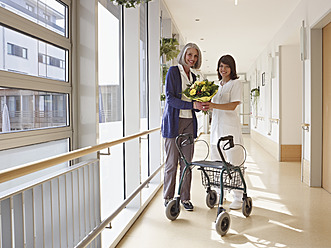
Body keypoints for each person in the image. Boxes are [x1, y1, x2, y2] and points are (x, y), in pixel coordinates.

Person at [161, 43, 207, 211]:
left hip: (189, 123)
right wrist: (192, 105)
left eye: (195, 56)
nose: (192, 59)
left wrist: (202, 104)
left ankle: (185, 198)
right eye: (189, 55)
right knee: (172, 163)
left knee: (187, 163)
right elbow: (170, 99)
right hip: (173, 123)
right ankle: (168, 198)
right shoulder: (174, 72)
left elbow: (193, 101)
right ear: (183, 55)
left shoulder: (194, 78)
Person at [206, 54, 245, 210]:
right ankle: (219, 193)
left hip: (230, 131)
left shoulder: (236, 84)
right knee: (216, 164)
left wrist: (213, 105)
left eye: (227, 66)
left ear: (232, 68)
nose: (223, 69)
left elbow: (232, 106)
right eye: (221, 66)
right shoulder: (216, 86)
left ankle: (239, 197)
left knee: (234, 164)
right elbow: (212, 107)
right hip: (216, 130)